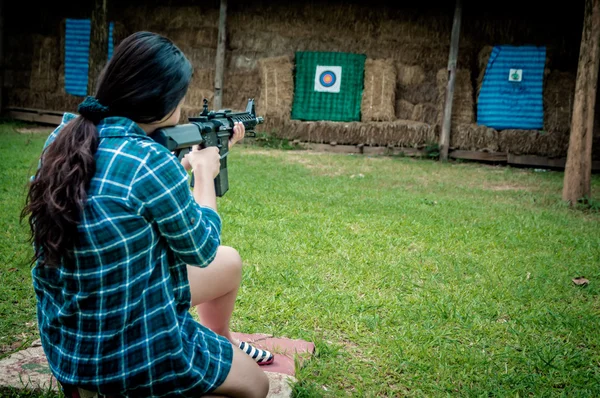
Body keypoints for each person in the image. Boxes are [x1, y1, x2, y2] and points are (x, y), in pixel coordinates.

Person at [21, 31, 271, 398]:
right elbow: (201, 248)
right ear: (162, 102)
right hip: (132, 355)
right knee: (256, 385)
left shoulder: (63, 138)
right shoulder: (150, 160)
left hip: (70, 345)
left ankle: (223, 343)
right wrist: (203, 172)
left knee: (229, 263)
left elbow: (127, 196)